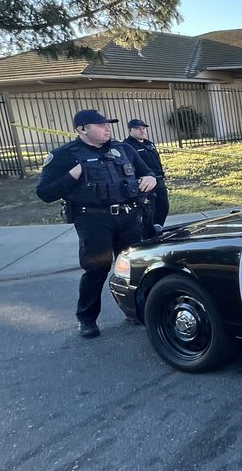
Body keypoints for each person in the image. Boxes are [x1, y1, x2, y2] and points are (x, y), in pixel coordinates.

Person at [36, 110, 156, 337]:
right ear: (82, 129)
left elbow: (147, 172)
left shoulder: (123, 149)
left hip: (128, 216)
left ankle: (137, 311)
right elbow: (45, 193)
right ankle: (87, 319)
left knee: (135, 269)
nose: (107, 128)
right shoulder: (65, 155)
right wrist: (73, 175)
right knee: (96, 270)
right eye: (100, 125)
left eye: (108, 124)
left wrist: (150, 178)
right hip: (93, 219)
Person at [124, 118, 168, 239]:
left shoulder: (149, 144)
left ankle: (158, 230)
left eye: (143, 128)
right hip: (144, 184)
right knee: (149, 211)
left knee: (163, 207)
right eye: (138, 128)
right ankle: (148, 237)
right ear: (130, 130)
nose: (142, 130)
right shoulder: (127, 146)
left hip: (158, 180)